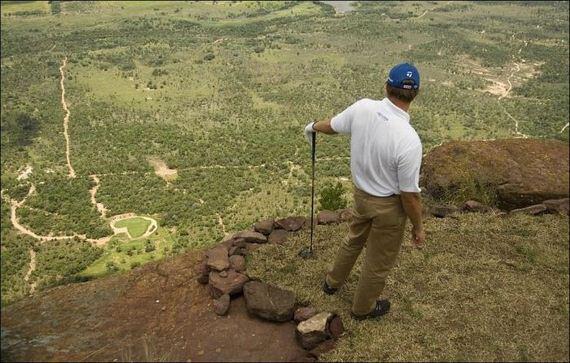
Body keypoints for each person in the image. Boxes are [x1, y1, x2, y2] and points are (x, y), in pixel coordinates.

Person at [303, 63, 425, 321]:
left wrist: (313, 126)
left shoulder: (363, 108)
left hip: (362, 196)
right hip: (389, 207)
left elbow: (332, 126)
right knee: (378, 261)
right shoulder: (409, 139)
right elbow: (409, 195)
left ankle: (332, 283)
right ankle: (362, 308)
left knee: (354, 239)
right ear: (416, 93)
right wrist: (418, 226)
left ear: (386, 86)